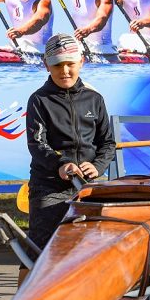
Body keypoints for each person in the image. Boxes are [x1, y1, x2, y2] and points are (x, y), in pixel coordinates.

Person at [21, 33, 116, 282]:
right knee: (37, 251)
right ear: (46, 65)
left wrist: (97, 166)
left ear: (81, 62)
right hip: (49, 186)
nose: (64, 70)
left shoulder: (95, 99)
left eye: (70, 63)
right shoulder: (38, 100)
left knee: (88, 252)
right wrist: (61, 164)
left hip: (88, 188)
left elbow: (107, 143)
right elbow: (36, 144)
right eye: (57, 65)